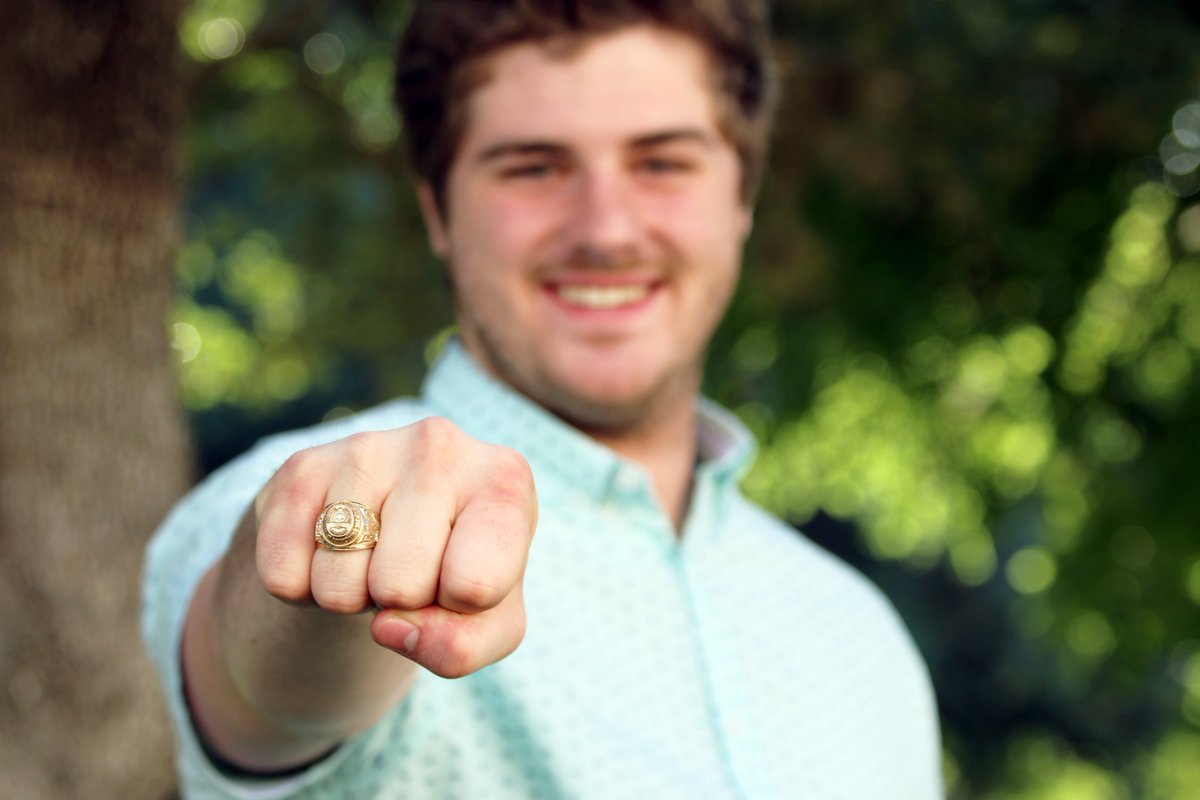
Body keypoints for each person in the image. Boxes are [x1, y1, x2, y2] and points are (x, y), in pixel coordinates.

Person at [143, 1, 944, 797]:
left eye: (662, 163)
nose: (606, 229)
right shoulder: (299, 495)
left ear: (741, 198)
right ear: (438, 213)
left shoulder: (861, 637)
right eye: (534, 167)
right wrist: (326, 564)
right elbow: (266, 692)